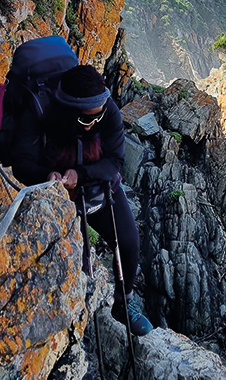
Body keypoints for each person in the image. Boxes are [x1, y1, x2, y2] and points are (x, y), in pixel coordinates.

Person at [9, 63, 153, 336]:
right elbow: (21, 163)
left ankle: (123, 303)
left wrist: (81, 174)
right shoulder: (41, 110)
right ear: (68, 109)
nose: (93, 124)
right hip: (52, 195)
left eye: (97, 118)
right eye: (87, 120)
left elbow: (115, 161)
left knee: (129, 241)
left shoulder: (105, 109)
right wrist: (46, 175)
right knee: (68, 260)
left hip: (98, 187)